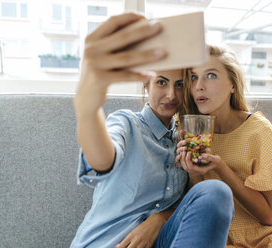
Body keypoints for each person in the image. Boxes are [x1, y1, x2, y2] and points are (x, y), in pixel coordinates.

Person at [71, 13, 234, 248]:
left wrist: (160, 218)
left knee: (215, 191)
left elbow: (195, 208)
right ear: (146, 84)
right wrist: (88, 109)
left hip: (162, 241)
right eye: (161, 82)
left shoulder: (185, 139)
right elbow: (101, 159)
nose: (171, 95)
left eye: (179, 85)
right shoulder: (127, 123)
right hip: (106, 243)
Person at [176, 44, 272, 247]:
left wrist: (222, 168)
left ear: (233, 84)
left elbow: (270, 216)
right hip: (225, 236)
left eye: (211, 75)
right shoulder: (189, 131)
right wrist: (193, 173)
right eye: (194, 77)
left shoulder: (257, 130)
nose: (199, 86)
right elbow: (200, 207)